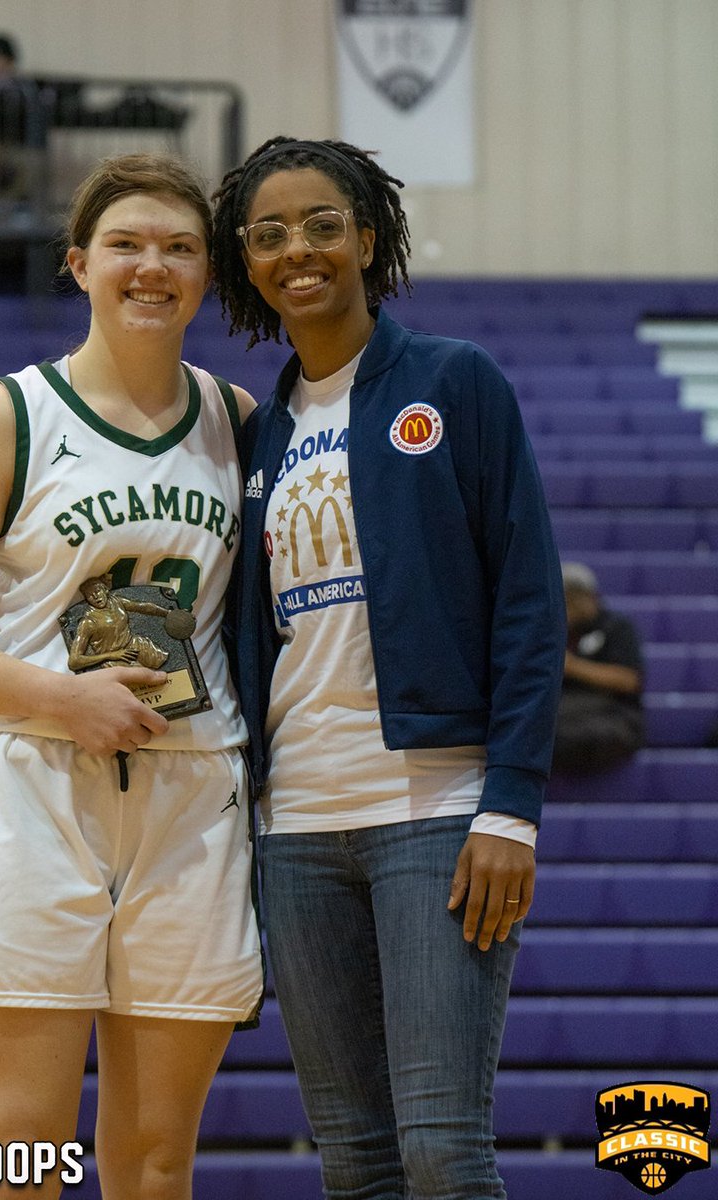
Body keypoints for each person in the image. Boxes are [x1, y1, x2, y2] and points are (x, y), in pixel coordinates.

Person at [0, 152, 262, 1200]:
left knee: (154, 1162)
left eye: (180, 248)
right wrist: (64, 695)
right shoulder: (8, 416)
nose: (154, 266)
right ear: (79, 263)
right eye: (127, 245)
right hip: (40, 788)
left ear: (207, 272)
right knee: (21, 1150)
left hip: (192, 796)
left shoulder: (237, 421)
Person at [211, 136, 566, 1199]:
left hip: (439, 814)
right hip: (296, 834)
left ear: (368, 236)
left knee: (442, 1151)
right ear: (246, 259)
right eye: (269, 234)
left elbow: (527, 602)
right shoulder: (258, 432)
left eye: (323, 224)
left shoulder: (455, 380)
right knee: (354, 1161)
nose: (298, 250)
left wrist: (510, 807)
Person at [552, 561, 645, 774]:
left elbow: (629, 681)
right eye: (564, 600)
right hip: (565, 712)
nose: (568, 607)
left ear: (590, 597)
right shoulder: (554, 629)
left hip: (613, 713)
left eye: (573, 599)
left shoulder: (616, 627)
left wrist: (572, 666)